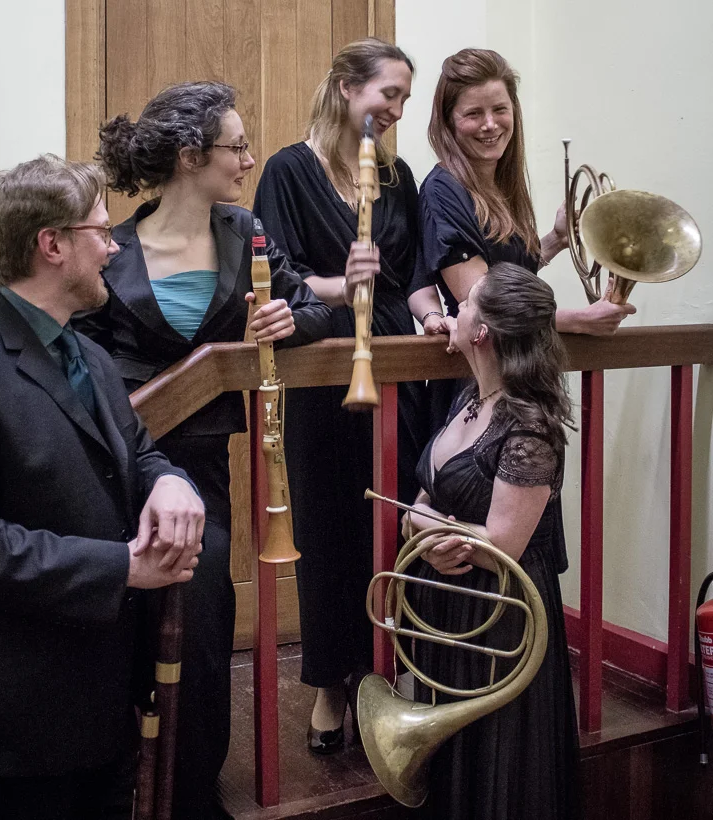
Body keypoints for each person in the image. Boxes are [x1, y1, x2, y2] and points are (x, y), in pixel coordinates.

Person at [0, 154, 206, 820]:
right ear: (52, 245)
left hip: (101, 698)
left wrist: (170, 481)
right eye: (101, 230)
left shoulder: (88, 354)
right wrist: (122, 567)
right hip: (14, 716)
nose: (114, 244)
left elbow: (134, 450)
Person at [74, 81, 331, 817]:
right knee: (122, 627)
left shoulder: (243, 230)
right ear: (191, 157)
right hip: (120, 471)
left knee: (208, 623)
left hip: (206, 466)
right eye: (236, 147)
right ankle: (123, 784)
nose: (249, 159)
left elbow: (308, 307)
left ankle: (192, 790)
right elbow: (84, 360)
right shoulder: (113, 248)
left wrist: (292, 319)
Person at [253, 37, 427, 754]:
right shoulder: (287, 171)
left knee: (394, 526)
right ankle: (332, 685)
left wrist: (434, 316)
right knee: (329, 532)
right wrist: (338, 281)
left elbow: (414, 270)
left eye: (404, 100)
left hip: (389, 363)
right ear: (345, 87)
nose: (396, 109)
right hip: (323, 368)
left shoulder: (399, 175)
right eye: (388, 93)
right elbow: (275, 271)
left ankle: (392, 676)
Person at [406, 263, 580, 820]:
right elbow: (426, 494)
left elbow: (502, 541)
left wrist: (427, 527)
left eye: (467, 303)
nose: (455, 311)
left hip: (501, 619)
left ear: (483, 332)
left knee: (500, 770)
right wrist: (421, 521)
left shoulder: (529, 428)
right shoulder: (468, 399)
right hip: (453, 612)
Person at [407, 48, 636, 426]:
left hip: (521, 373)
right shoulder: (443, 191)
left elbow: (505, 273)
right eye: (473, 114)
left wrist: (557, 239)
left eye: (500, 109)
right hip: (477, 384)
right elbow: (486, 303)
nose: (490, 124)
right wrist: (580, 319)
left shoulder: (498, 184)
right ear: (449, 122)